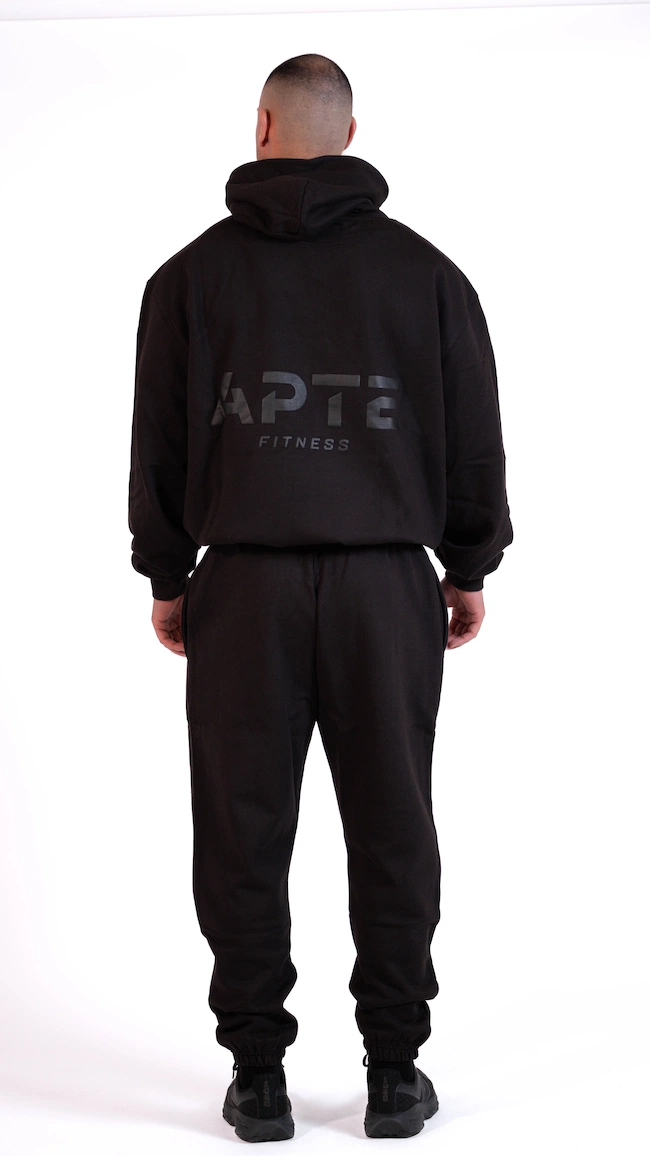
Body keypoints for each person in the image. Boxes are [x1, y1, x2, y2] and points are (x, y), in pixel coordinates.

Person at [128, 53, 513, 1143]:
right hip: (386, 588)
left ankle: (257, 1076)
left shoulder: (188, 278)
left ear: (261, 127)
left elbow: (158, 446)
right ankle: (394, 1072)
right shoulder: (428, 276)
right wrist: (467, 567)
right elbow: (473, 438)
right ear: (349, 133)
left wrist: (168, 575)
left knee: (240, 829)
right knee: (393, 822)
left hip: (241, 585)